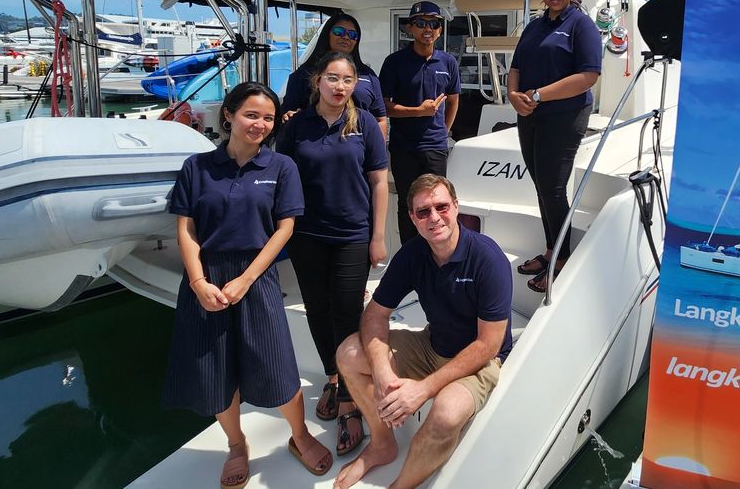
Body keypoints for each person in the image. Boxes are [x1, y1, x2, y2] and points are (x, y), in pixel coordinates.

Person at [163, 82, 333, 487]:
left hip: (256, 275)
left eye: (268, 118)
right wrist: (199, 281)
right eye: (251, 115)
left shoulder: (280, 168)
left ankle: (300, 434)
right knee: (217, 372)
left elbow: (285, 227)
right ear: (229, 115)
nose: (260, 124)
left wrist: (247, 278)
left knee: (276, 364)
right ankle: (236, 445)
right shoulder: (197, 167)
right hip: (205, 277)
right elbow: (185, 228)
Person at [333, 174, 512, 489]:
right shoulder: (414, 254)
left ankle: (401, 486)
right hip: (433, 346)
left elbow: (489, 344)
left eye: (441, 206)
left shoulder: (487, 258)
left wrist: (422, 390)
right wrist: (382, 372)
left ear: (456, 207)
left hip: (481, 363)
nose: (435, 217)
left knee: (445, 412)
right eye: (424, 212)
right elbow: (375, 314)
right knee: (348, 353)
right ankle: (382, 445)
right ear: (413, 219)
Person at [277, 51, 390, 457]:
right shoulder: (297, 126)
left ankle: (348, 395)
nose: (340, 87)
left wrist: (377, 236)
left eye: (347, 80)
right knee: (317, 310)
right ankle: (332, 373)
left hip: (351, 236)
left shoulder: (365, 127)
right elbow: (280, 175)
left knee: (346, 313)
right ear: (317, 82)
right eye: (332, 78)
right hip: (307, 235)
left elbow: (379, 181)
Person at [507, 0, 603, 293]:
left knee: (553, 187)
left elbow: (588, 76)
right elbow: (516, 65)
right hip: (530, 114)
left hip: (565, 115)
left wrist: (536, 95)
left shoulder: (581, 26)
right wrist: (512, 94)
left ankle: (561, 260)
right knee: (541, 185)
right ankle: (551, 249)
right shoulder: (534, 26)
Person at [380, 1, 460, 244]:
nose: (428, 28)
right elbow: (383, 106)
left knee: (437, 202)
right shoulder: (394, 62)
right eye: (421, 23)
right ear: (410, 28)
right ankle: (410, 254)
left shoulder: (448, 62)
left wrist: (442, 133)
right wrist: (418, 111)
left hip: (435, 147)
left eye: (434, 24)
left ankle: (436, 249)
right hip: (404, 147)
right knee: (409, 204)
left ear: (440, 30)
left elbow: (453, 101)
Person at [283, 13, 388, 137]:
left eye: (352, 35)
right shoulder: (304, 74)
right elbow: (287, 114)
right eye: (339, 31)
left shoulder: (368, 75)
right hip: (314, 143)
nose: (346, 37)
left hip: (359, 149)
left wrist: (378, 152)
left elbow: (380, 119)